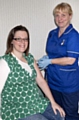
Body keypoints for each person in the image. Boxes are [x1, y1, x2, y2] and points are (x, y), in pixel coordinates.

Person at [0, 25, 65, 120]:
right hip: (17, 108)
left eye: (25, 39)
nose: (23, 42)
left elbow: (41, 81)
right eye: (18, 39)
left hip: (36, 103)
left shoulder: (29, 58)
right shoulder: (5, 62)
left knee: (60, 115)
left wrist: (53, 102)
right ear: (12, 41)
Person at [38, 2, 79, 120]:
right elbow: (51, 54)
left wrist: (50, 61)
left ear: (70, 16)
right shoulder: (52, 34)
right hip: (52, 81)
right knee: (56, 112)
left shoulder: (74, 36)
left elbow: (71, 60)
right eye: (57, 15)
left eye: (63, 15)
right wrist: (45, 60)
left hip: (68, 84)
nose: (59, 19)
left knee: (70, 114)